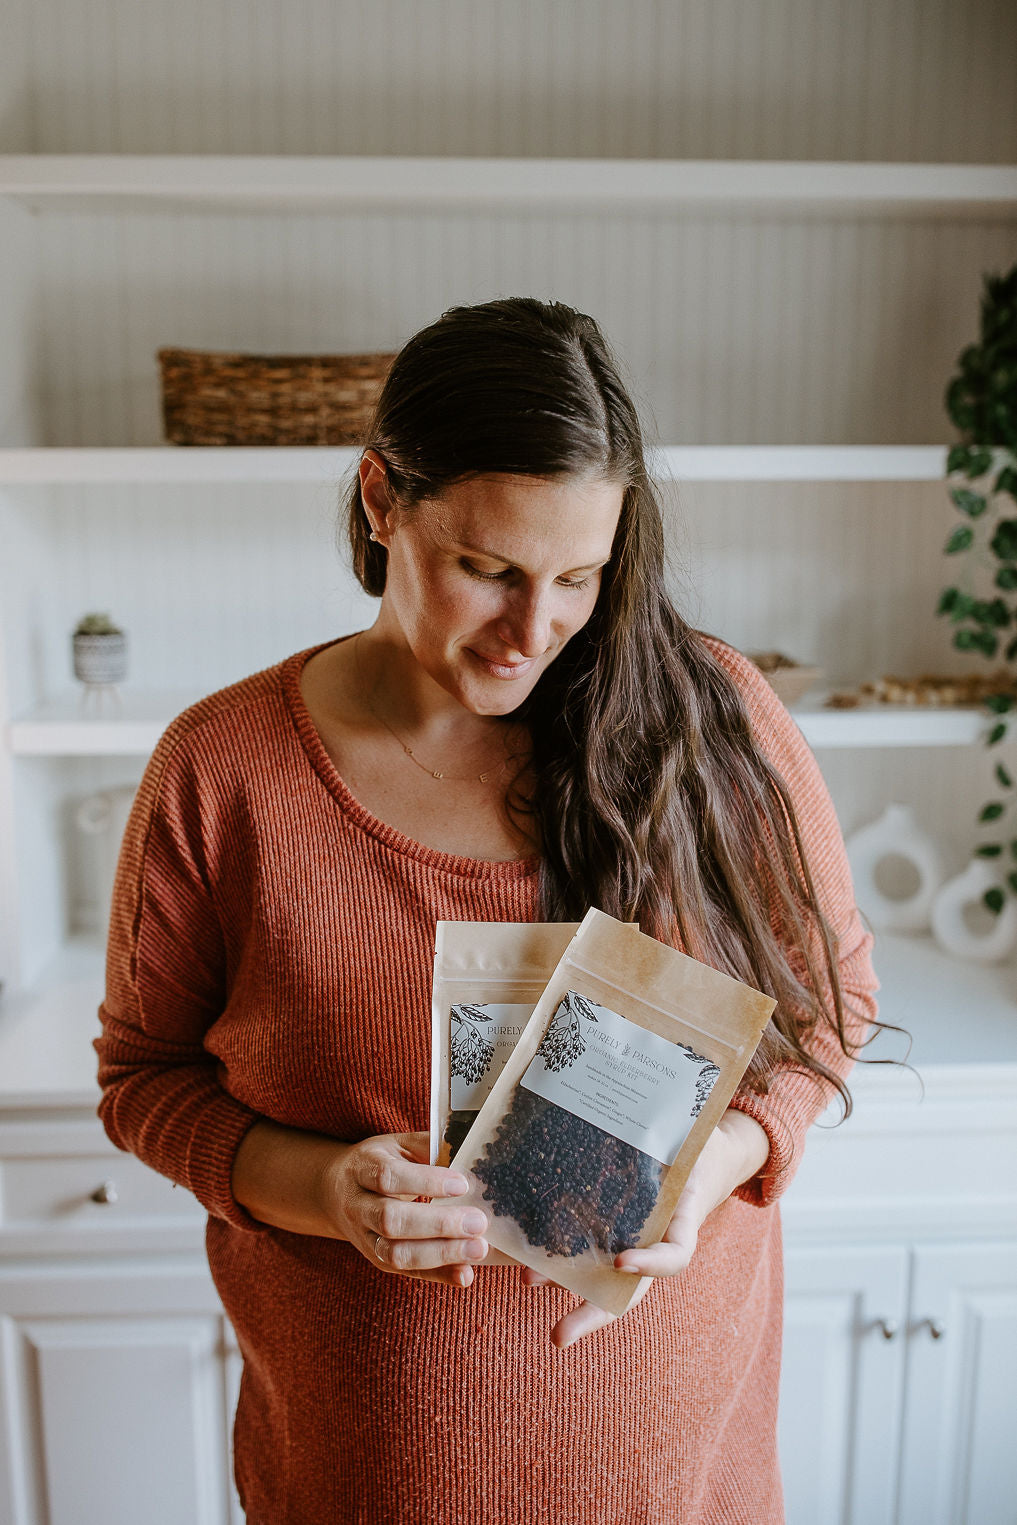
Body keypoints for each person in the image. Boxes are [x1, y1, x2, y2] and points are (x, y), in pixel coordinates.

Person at [95, 295, 880, 1525]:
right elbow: (144, 1077)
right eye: (488, 569)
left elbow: (832, 1006)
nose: (535, 632)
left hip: (678, 1483)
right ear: (377, 501)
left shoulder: (707, 720)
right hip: (363, 1480)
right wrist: (327, 1189)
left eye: (580, 577)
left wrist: (717, 1159)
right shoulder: (221, 770)